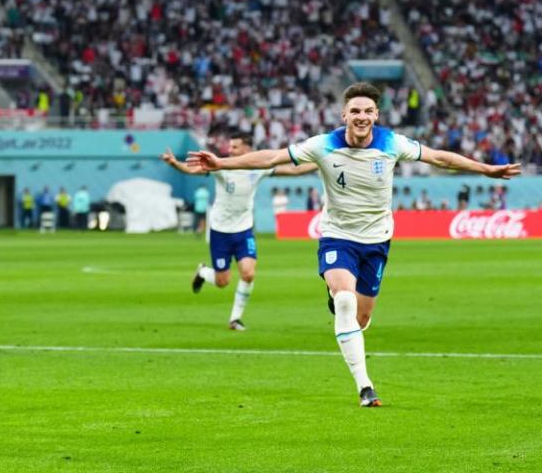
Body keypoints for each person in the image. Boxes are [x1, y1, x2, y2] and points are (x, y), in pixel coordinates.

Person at [187, 83, 521, 407]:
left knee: (360, 319)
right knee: (344, 299)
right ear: (344, 115)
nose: (361, 116)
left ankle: (345, 313)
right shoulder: (323, 145)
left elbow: (439, 158)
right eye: (355, 111)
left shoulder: (392, 143)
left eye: (368, 111)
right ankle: (365, 386)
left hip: (376, 241)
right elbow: (271, 157)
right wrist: (221, 162)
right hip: (337, 235)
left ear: (376, 115)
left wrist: (485, 169)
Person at [162, 134, 316, 331]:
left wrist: (323, 162)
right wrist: (174, 163)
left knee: (248, 274)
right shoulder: (220, 167)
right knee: (222, 281)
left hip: (243, 230)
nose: (230, 151)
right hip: (220, 231)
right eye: (230, 147)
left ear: (247, 149)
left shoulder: (259, 169)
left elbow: (294, 171)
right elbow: (192, 170)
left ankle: (235, 319)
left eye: (235, 147)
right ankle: (202, 272)